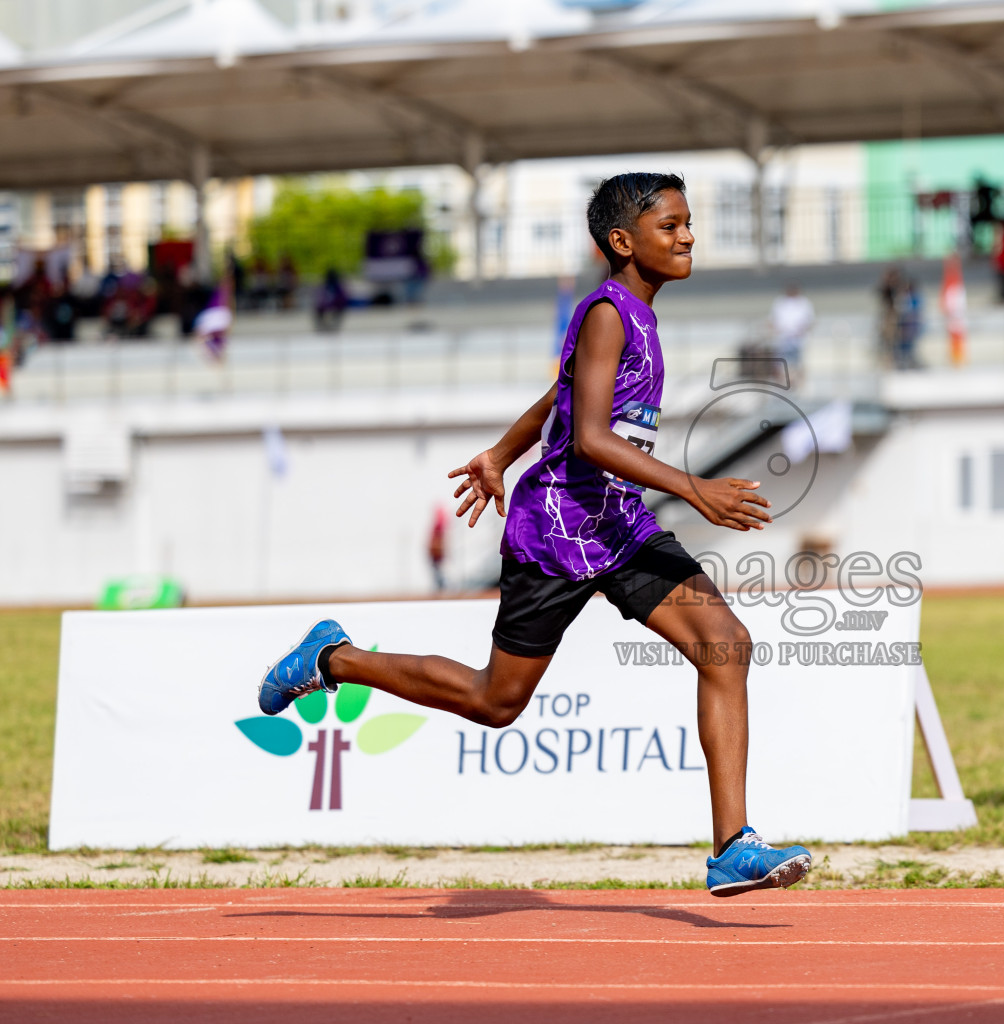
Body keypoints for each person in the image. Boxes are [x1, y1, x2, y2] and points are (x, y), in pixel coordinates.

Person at [256, 173, 812, 898]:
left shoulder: (637, 316)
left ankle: (733, 847)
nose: (688, 237)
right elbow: (586, 438)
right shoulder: (611, 313)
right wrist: (693, 488)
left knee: (726, 645)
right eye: (671, 226)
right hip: (558, 530)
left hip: (618, 526)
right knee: (496, 702)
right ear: (622, 241)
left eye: (687, 223)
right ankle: (334, 659)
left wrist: (498, 454)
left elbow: (561, 393)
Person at [768, 282, 814, 379]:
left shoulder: (804, 303)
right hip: (782, 339)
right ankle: (781, 381)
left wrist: (801, 331)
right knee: (780, 363)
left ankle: (799, 382)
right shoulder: (780, 302)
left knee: (798, 363)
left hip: (798, 339)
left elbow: (810, 321)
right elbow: (772, 320)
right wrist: (776, 330)